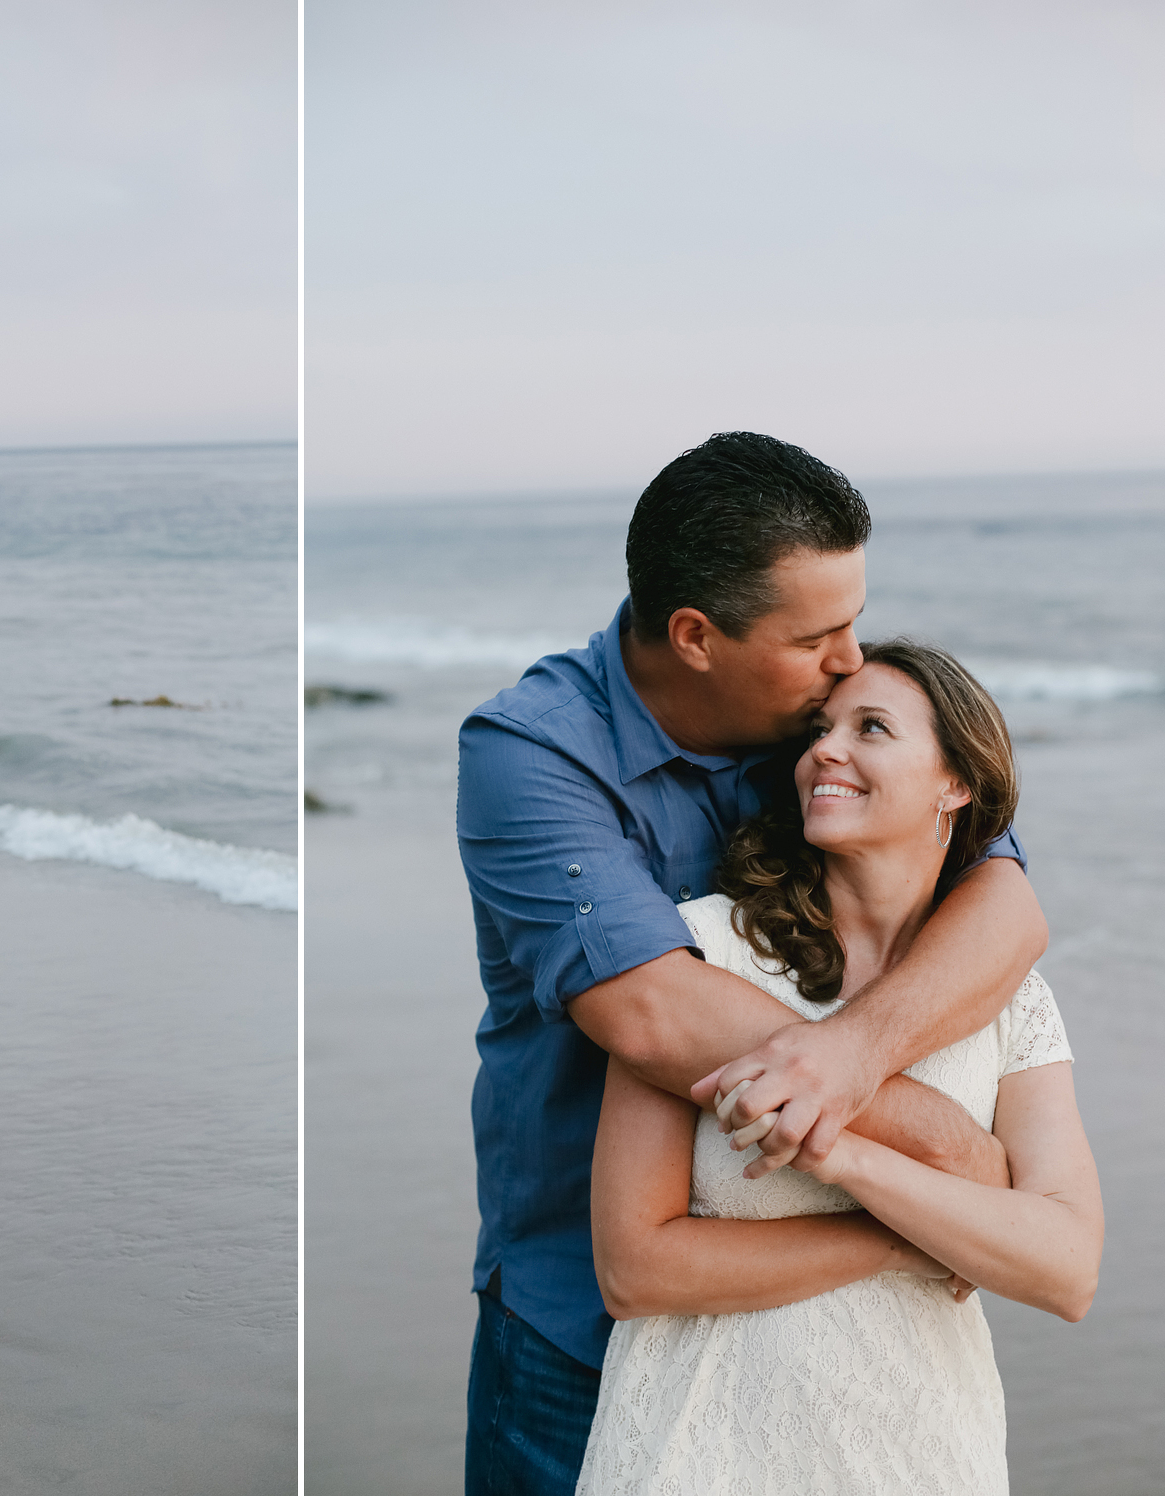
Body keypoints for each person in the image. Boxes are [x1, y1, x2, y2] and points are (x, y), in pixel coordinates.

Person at [456, 433, 1050, 1495]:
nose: (847, 658)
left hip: (819, 1342)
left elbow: (1002, 900)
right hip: (582, 1314)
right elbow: (648, 1015)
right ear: (694, 634)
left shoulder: (818, 731)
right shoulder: (530, 754)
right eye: (816, 634)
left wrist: (854, 1056)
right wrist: (944, 1151)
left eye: (853, 622)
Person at [577, 640, 1102, 1493]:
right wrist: (900, 1242)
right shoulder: (702, 957)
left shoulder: (1011, 998)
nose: (825, 748)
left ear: (955, 783)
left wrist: (842, 1149)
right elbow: (635, 1269)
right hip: (701, 1451)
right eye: (821, 728)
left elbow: (1068, 1269)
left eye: (873, 728)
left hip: (923, 1450)